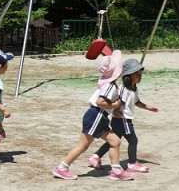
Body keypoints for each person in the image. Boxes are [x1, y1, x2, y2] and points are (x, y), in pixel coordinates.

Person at [52, 50, 133, 181]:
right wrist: (115, 104)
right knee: (83, 145)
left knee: (115, 141)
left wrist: (114, 110)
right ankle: (61, 168)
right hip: (97, 116)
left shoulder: (108, 84)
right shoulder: (110, 86)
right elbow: (100, 102)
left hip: (99, 116)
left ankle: (116, 170)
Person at [87, 58, 158, 173]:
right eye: (137, 74)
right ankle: (132, 164)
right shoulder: (123, 89)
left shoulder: (134, 89)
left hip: (122, 119)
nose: (140, 77)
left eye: (140, 74)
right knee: (133, 140)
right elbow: (117, 101)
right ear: (128, 76)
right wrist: (115, 110)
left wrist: (148, 107)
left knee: (114, 140)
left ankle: (95, 157)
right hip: (123, 119)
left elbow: (136, 102)